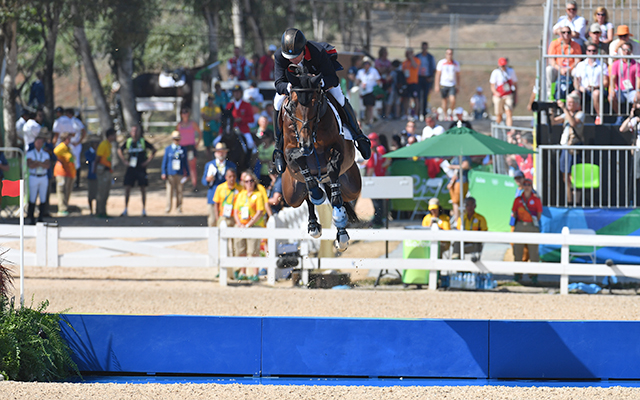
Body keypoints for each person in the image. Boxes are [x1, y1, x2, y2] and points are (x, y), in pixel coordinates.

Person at [272, 28, 371, 174]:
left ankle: (358, 135)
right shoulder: (280, 56)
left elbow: (333, 78)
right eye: (289, 57)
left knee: (339, 97)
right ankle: (278, 148)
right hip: (294, 88)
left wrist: (319, 83)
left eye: (296, 56)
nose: (291, 60)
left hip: (319, 84)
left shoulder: (317, 52)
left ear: (304, 49)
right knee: (277, 103)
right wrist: (289, 86)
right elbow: (278, 82)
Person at [117, 125, 156, 217]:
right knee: (127, 188)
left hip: (141, 168)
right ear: (131, 132)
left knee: (143, 188)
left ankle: (143, 209)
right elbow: (120, 150)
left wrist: (147, 161)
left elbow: (154, 149)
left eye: (136, 131)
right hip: (131, 168)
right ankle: (125, 209)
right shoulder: (128, 142)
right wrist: (124, 161)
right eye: (133, 131)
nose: (134, 133)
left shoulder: (142, 141)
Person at [233, 170, 266, 280]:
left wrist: (249, 224)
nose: (249, 183)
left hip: (254, 225)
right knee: (241, 250)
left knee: (253, 250)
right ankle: (243, 272)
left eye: (251, 181)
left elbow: (259, 211)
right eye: (246, 181)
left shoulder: (258, 194)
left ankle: (255, 273)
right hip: (241, 225)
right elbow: (236, 210)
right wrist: (239, 223)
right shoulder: (241, 194)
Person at [552, 92, 584, 204]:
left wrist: (564, 109)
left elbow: (573, 123)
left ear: (577, 104)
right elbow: (553, 122)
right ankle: (569, 200)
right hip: (565, 147)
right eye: (568, 102)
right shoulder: (565, 114)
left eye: (571, 103)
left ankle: (576, 201)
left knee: (573, 175)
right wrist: (551, 112)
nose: (569, 105)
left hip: (573, 148)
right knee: (565, 175)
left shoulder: (580, 114)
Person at [203, 142, 237, 227]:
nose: (221, 153)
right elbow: (203, 182)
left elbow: (236, 181)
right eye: (219, 151)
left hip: (228, 198)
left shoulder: (231, 165)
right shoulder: (209, 165)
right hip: (213, 197)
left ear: (226, 153)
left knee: (229, 222)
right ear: (215, 153)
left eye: (222, 151)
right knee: (213, 221)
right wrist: (208, 179)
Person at [573, 43, 609, 120]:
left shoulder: (602, 64)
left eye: (593, 51)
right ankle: (576, 117)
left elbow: (606, 82)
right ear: (586, 52)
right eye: (589, 51)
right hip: (584, 90)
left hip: (598, 89)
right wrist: (579, 87)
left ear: (597, 52)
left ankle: (599, 117)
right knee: (574, 94)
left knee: (595, 94)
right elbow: (576, 81)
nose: (591, 53)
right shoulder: (581, 65)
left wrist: (596, 87)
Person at [510, 178, 542, 263]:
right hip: (520, 224)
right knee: (518, 251)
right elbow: (514, 213)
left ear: (531, 187)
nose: (527, 186)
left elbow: (539, 215)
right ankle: (518, 274)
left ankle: (533, 274)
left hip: (531, 225)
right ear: (522, 186)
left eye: (529, 185)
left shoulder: (536, 200)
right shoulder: (518, 200)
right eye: (525, 184)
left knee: (533, 251)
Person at [213, 167, 241, 256]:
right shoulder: (220, 188)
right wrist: (218, 218)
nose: (232, 178)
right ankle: (221, 266)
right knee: (222, 242)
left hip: (235, 217)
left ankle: (236, 267)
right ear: (226, 177)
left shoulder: (240, 188)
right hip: (223, 216)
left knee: (236, 243)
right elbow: (216, 204)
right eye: (230, 176)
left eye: (233, 176)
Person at [546, 27, 582, 96]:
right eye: (563, 32)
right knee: (549, 69)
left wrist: (570, 68)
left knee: (576, 72)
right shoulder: (554, 43)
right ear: (560, 33)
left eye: (568, 32)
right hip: (558, 68)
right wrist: (560, 69)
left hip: (570, 69)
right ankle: (549, 93)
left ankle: (576, 93)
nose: (566, 34)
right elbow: (551, 59)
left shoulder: (576, 45)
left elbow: (578, 60)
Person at [161, 130, 189, 214]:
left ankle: (179, 208)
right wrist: (163, 172)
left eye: (178, 139)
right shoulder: (168, 149)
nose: (176, 141)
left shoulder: (183, 149)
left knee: (179, 191)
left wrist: (187, 173)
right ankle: (168, 208)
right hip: (170, 173)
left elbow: (185, 162)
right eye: (175, 139)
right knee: (169, 191)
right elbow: (165, 161)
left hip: (179, 173)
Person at [26, 131, 50, 224]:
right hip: (34, 176)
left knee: (43, 197)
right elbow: (30, 164)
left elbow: (47, 165)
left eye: (41, 143)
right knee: (32, 197)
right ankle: (31, 218)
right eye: (38, 142)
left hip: (43, 177)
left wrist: (37, 162)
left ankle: (40, 217)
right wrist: (41, 163)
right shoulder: (30, 153)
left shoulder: (45, 154)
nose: (39, 144)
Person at [609, 42, 640, 114]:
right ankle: (619, 115)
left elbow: (638, 79)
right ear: (621, 51)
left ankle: (633, 115)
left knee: (638, 96)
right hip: (620, 91)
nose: (626, 51)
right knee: (611, 97)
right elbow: (612, 78)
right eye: (624, 49)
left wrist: (638, 91)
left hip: (632, 90)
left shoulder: (636, 64)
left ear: (631, 51)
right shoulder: (616, 63)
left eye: (628, 49)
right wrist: (612, 90)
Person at [176, 107, 201, 190]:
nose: (184, 114)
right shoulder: (179, 125)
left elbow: (200, 133)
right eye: (183, 112)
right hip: (182, 147)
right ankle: (183, 184)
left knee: (192, 166)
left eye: (186, 112)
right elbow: (177, 136)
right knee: (182, 165)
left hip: (190, 147)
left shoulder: (193, 124)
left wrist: (197, 144)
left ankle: (194, 185)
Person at [365, 132, 387, 228]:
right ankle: (378, 219)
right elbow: (386, 162)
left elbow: (371, 168)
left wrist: (367, 180)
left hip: (374, 180)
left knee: (376, 202)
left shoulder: (374, 154)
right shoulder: (380, 152)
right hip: (380, 178)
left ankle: (377, 220)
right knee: (379, 201)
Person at [227, 84, 256, 153]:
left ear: (241, 93)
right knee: (218, 143)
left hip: (243, 129)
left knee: (250, 144)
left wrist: (242, 120)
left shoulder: (247, 105)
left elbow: (251, 119)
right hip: (231, 129)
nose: (236, 94)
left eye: (238, 92)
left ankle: (249, 161)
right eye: (235, 92)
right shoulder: (229, 105)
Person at [490, 58, 517, 128]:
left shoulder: (510, 71)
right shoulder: (495, 72)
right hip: (498, 95)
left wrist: (515, 95)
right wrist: (496, 93)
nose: (504, 67)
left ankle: (509, 129)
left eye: (504, 65)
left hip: (508, 95)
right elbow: (492, 86)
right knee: (499, 114)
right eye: (502, 66)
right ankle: (498, 127)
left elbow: (515, 83)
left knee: (509, 112)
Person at [53, 133, 76, 216]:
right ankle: (62, 208)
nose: (69, 140)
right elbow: (56, 151)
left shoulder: (68, 148)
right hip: (61, 172)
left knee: (67, 190)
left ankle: (65, 207)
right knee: (62, 190)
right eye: (68, 139)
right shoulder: (62, 146)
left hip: (68, 172)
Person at [95, 128, 116, 218]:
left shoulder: (109, 145)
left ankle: (103, 211)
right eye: (114, 135)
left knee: (106, 192)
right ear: (110, 136)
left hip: (108, 171)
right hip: (102, 171)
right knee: (101, 191)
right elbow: (98, 157)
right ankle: (99, 212)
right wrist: (96, 168)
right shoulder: (103, 144)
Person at [435, 48, 461, 120]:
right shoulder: (441, 63)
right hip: (444, 84)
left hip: (452, 84)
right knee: (444, 101)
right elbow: (438, 74)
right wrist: (437, 85)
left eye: (450, 54)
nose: (449, 55)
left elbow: (458, 75)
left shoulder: (455, 64)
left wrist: (458, 86)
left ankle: (451, 112)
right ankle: (445, 115)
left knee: (452, 100)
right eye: (448, 54)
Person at [355, 56, 382, 126]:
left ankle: (370, 120)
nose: (366, 65)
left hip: (371, 91)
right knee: (366, 106)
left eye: (367, 63)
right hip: (364, 92)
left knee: (370, 106)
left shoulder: (373, 71)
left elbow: (378, 80)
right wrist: (360, 84)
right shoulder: (361, 72)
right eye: (365, 63)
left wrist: (377, 89)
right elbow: (357, 80)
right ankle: (366, 120)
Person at [447, 155, 472, 224]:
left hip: (461, 182)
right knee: (456, 202)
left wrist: (452, 166)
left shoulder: (464, 157)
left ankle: (457, 221)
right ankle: (459, 220)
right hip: (455, 182)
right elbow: (455, 172)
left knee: (457, 202)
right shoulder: (455, 158)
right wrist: (451, 182)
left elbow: (465, 166)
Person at [416, 42, 436, 120]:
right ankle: (417, 113)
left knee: (425, 96)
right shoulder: (418, 56)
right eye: (423, 48)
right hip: (418, 78)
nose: (424, 49)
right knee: (418, 97)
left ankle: (424, 113)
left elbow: (433, 68)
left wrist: (431, 77)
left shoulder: (430, 57)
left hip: (427, 78)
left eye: (425, 48)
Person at [201, 94, 222, 159]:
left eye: (212, 99)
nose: (211, 101)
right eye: (209, 99)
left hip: (214, 129)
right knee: (207, 146)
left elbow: (218, 116)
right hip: (206, 129)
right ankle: (209, 159)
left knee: (215, 145)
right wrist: (213, 118)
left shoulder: (217, 108)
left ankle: (215, 158)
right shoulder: (204, 108)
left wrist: (209, 118)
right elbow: (203, 116)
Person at [401, 48, 420, 119]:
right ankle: (406, 113)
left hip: (414, 82)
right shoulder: (404, 63)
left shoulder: (416, 60)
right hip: (406, 82)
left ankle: (415, 114)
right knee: (406, 98)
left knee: (415, 98)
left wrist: (411, 57)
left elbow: (415, 66)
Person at [84, 136, 99, 215]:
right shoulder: (88, 153)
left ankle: (97, 209)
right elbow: (88, 161)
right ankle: (91, 210)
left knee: (97, 194)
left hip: (98, 175)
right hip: (91, 174)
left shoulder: (99, 152)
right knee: (90, 194)